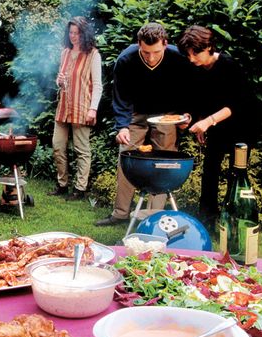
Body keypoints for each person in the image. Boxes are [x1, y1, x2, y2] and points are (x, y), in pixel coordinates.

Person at [96, 22, 191, 226]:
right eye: (146, 52)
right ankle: (120, 213)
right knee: (126, 156)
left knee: (164, 162)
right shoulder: (126, 59)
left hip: (166, 115)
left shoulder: (178, 58)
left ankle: (153, 217)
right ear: (139, 44)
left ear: (165, 44)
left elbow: (187, 89)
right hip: (135, 113)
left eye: (156, 51)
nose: (151, 57)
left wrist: (186, 115)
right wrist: (121, 126)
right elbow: (120, 97)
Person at [178, 25, 253, 224]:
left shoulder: (229, 65)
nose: (192, 59)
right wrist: (192, 120)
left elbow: (235, 104)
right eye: (188, 55)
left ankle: (235, 220)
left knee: (237, 175)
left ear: (209, 46)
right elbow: (197, 102)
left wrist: (208, 121)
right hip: (217, 129)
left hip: (240, 128)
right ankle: (207, 221)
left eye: (196, 53)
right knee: (209, 173)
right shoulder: (196, 69)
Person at [49, 16, 103, 200]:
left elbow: (97, 85)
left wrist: (93, 109)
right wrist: (60, 81)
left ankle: (80, 188)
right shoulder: (64, 52)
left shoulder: (93, 55)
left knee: (81, 149)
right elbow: (60, 79)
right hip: (63, 107)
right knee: (58, 146)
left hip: (83, 108)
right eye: (71, 32)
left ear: (84, 33)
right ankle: (62, 184)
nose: (73, 36)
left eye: (77, 33)